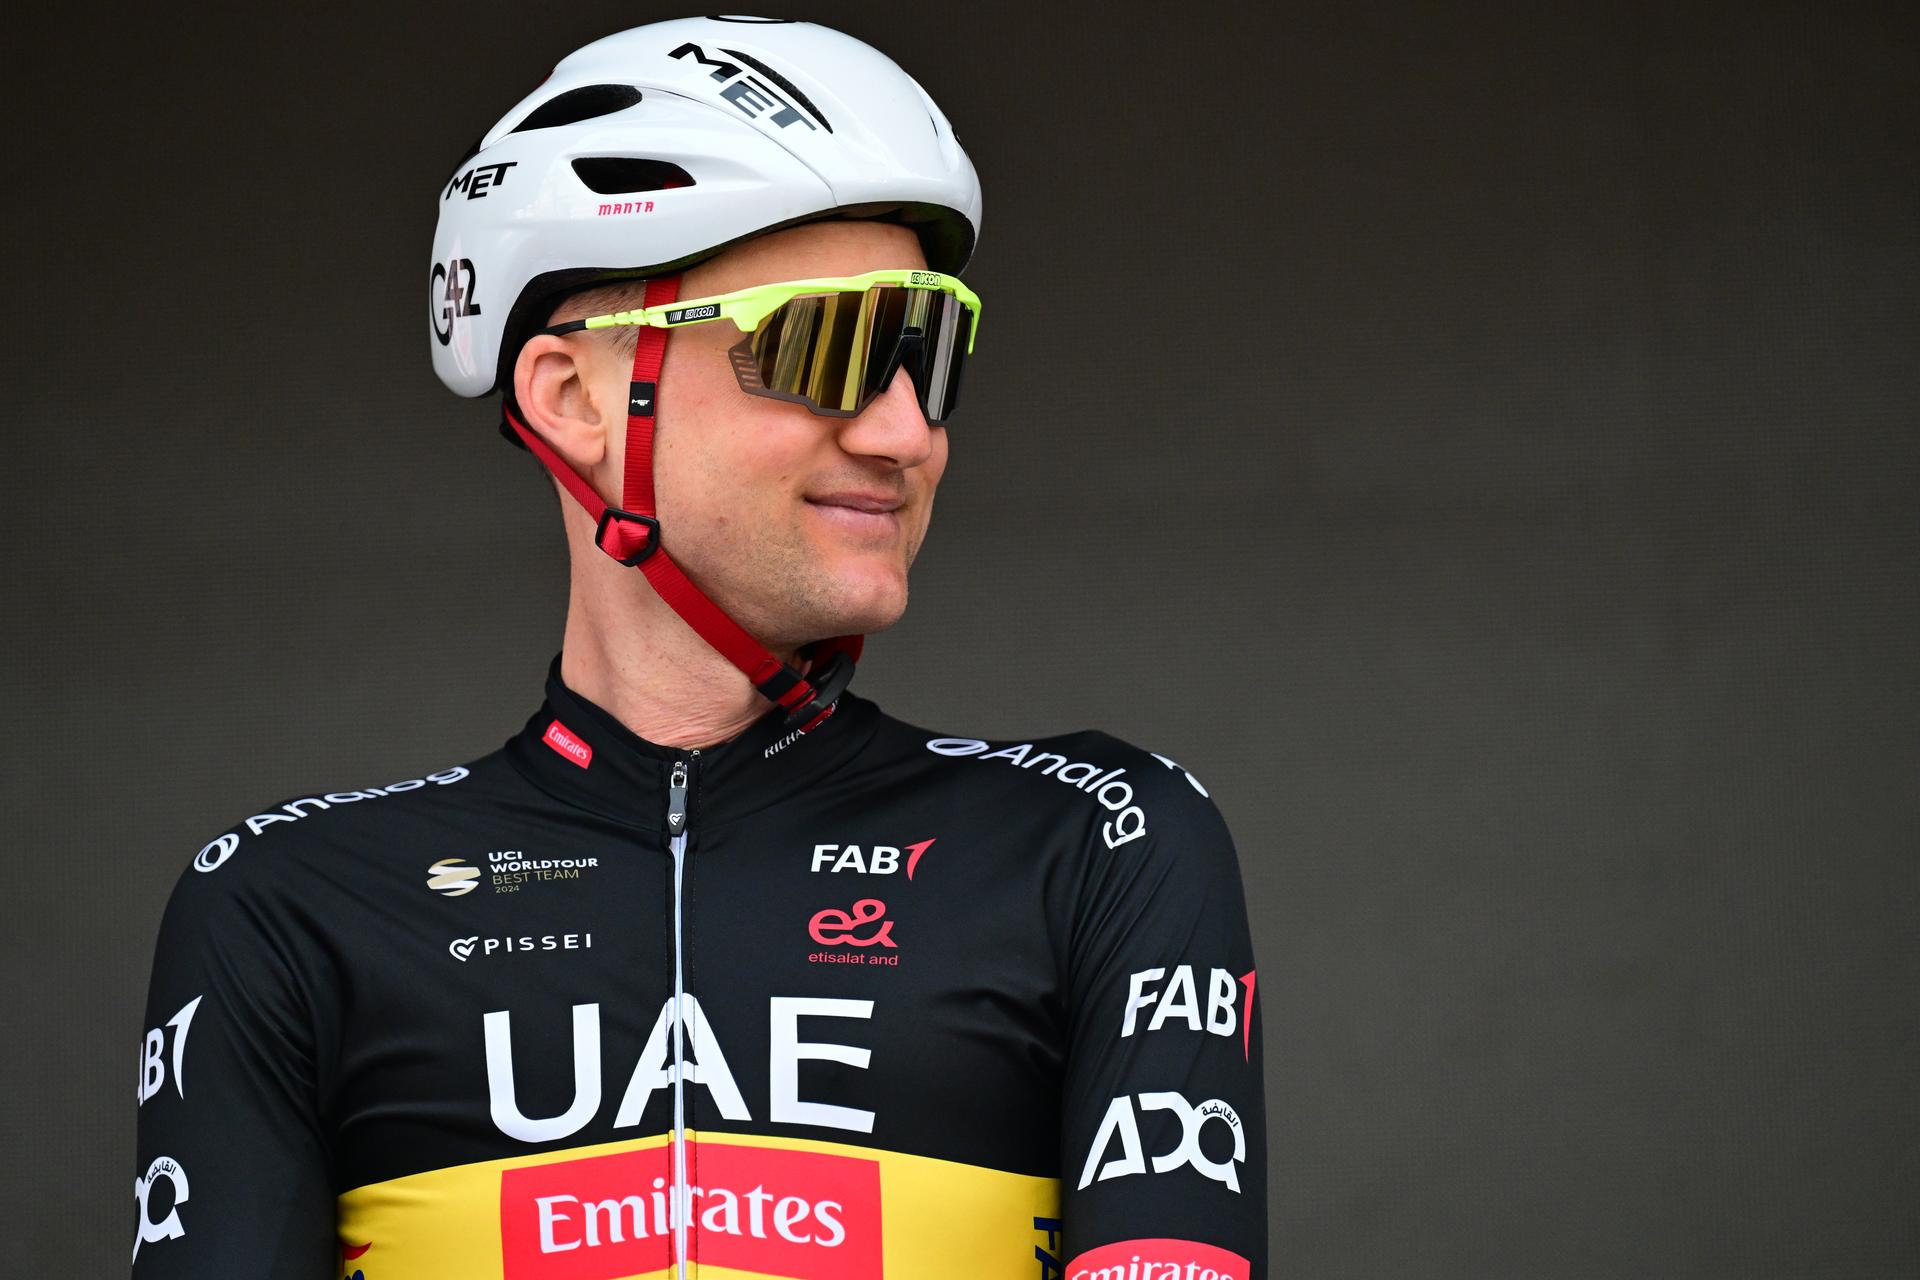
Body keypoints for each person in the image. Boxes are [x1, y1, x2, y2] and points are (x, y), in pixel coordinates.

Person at [132, 16, 1266, 1280]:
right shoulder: (287, 905)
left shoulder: (1103, 844)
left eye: (927, 350)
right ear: (574, 398)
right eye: (827, 345)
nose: (905, 431)